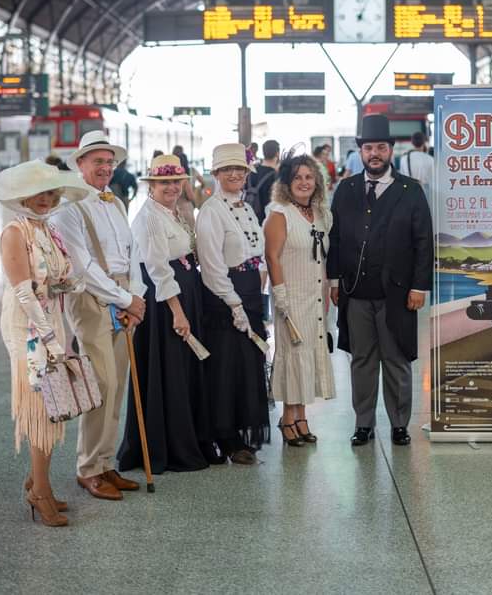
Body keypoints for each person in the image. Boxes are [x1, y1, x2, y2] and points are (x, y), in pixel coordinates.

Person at [0, 160, 90, 526]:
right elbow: (24, 292)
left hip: (52, 324)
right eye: (40, 192)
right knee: (41, 408)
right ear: (23, 195)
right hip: (28, 330)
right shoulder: (15, 232)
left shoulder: (47, 230)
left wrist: (70, 284)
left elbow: (54, 278)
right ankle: (40, 491)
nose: (46, 199)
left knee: (53, 402)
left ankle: (37, 480)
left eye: (51, 192)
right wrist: (48, 336)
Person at [328, 114, 434, 447]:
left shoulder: (410, 190)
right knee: (361, 361)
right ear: (361, 151)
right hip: (355, 293)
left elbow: (423, 241)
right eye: (369, 147)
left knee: (397, 360)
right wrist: (333, 281)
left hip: (398, 294)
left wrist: (419, 286)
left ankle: (400, 424)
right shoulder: (345, 190)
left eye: (381, 148)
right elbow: (336, 236)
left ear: (391, 150)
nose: (375, 153)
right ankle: (364, 424)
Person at [53, 131, 147, 500]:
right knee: (102, 383)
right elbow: (84, 265)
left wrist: (135, 296)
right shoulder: (69, 208)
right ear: (80, 165)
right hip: (93, 299)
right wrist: (125, 299)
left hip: (124, 296)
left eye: (109, 162)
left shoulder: (118, 203)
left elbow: (132, 252)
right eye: (98, 162)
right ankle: (88, 467)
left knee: (118, 385)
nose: (106, 168)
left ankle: (106, 463)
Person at [117, 154, 211, 474]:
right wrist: (178, 312)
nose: (171, 187)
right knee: (168, 370)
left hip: (183, 293)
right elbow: (157, 270)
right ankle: (169, 446)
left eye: (175, 181)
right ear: (152, 186)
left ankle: (185, 437)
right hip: (164, 303)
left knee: (181, 371)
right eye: (163, 183)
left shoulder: (172, 212)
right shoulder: (149, 218)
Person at [195, 143, 271, 464]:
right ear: (216, 174)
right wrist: (233, 303)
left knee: (247, 366)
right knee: (226, 368)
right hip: (226, 297)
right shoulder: (211, 212)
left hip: (251, 293)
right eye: (228, 170)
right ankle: (225, 436)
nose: (235, 174)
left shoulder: (247, 207)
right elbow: (212, 266)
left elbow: (257, 251)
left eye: (240, 169)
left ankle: (241, 430)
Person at [264, 153, 335, 447]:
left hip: (315, 296)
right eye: (297, 178)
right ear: (287, 183)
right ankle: (287, 419)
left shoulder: (320, 213)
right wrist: (280, 296)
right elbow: (271, 256)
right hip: (290, 296)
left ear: (317, 181)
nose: (304, 183)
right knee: (294, 355)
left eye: (309, 177)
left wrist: (329, 288)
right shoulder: (279, 214)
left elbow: (325, 256)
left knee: (310, 354)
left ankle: (301, 416)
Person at [245, 139, 279, 224]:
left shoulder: (251, 172)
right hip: (267, 221)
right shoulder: (276, 176)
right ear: (277, 153)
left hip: (249, 219)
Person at [171, 146, 199, 229]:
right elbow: (190, 196)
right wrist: (196, 204)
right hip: (185, 210)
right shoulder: (185, 179)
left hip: (173, 209)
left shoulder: (169, 178)